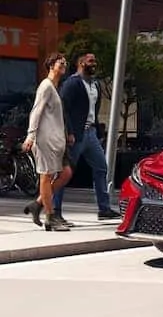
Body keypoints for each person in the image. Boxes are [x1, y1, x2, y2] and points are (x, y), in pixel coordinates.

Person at [53, 52, 120, 226]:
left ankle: (104, 209)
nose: (94, 63)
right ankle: (55, 211)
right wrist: (69, 132)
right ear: (81, 63)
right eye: (91, 61)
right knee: (64, 173)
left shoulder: (95, 84)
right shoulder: (72, 83)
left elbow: (93, 110)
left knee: (101, 167)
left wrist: (98, 129)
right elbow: (63, 109)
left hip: (91, 134)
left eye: (94, 60)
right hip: (75, 135)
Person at [21, 53, 73, 232]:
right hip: (45, 140)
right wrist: (31, 135)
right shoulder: (46, 86)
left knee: (65, 173)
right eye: (61, 62)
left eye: (65, 63)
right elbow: (36, 111)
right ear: (51, 65)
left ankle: (38, 204)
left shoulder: (55, 87)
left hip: (56, 141)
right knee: (46, 176)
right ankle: (50, 217)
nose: (64, 65)